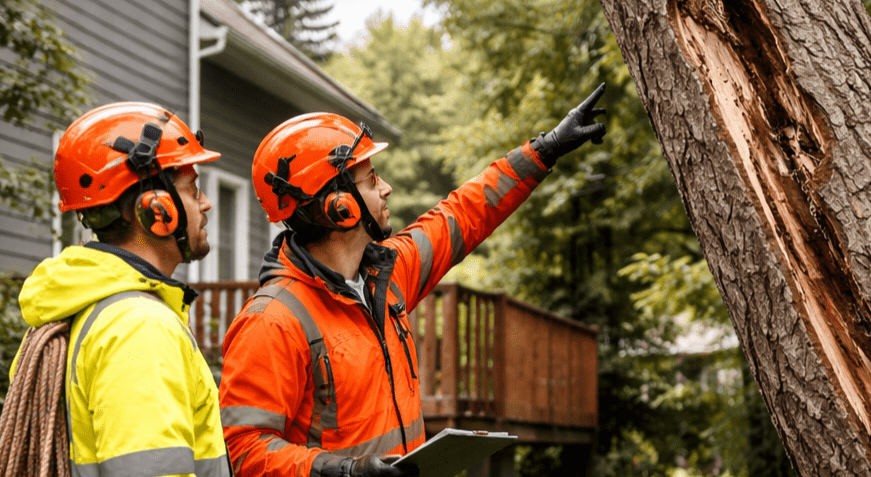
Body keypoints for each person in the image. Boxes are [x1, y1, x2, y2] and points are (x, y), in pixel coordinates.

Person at [218, 85, 608, 477]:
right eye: (371, 179)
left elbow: (463, 214)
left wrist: (544, 150)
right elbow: (245, 451)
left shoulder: (387, 275)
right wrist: (346, 471)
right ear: (339, 206)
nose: (386, 187)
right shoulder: (272, 321)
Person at [12, 102, 232, 477]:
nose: (206, 203)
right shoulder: (139, 327)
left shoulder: (90, 305)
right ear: (156, 209)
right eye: (193, 189)